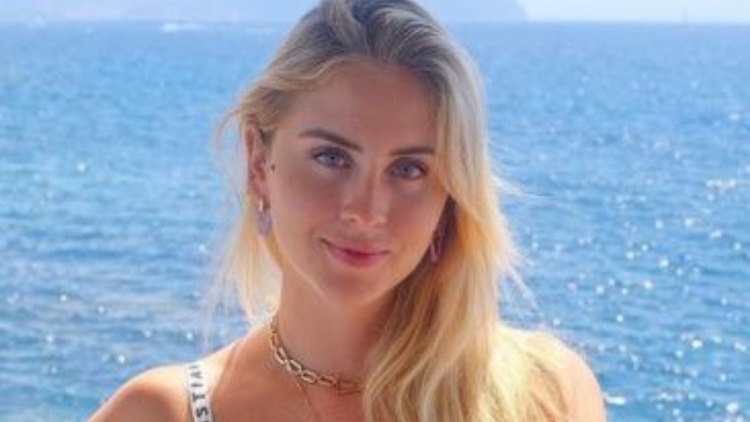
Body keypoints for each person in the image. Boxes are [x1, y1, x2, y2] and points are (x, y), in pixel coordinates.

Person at [89, 0, 607, 421]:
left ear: (449, 197)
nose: (366, 209)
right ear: (258, 162)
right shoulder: (167, 413)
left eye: (409, 169)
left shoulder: (545, 393)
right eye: (331, 158)